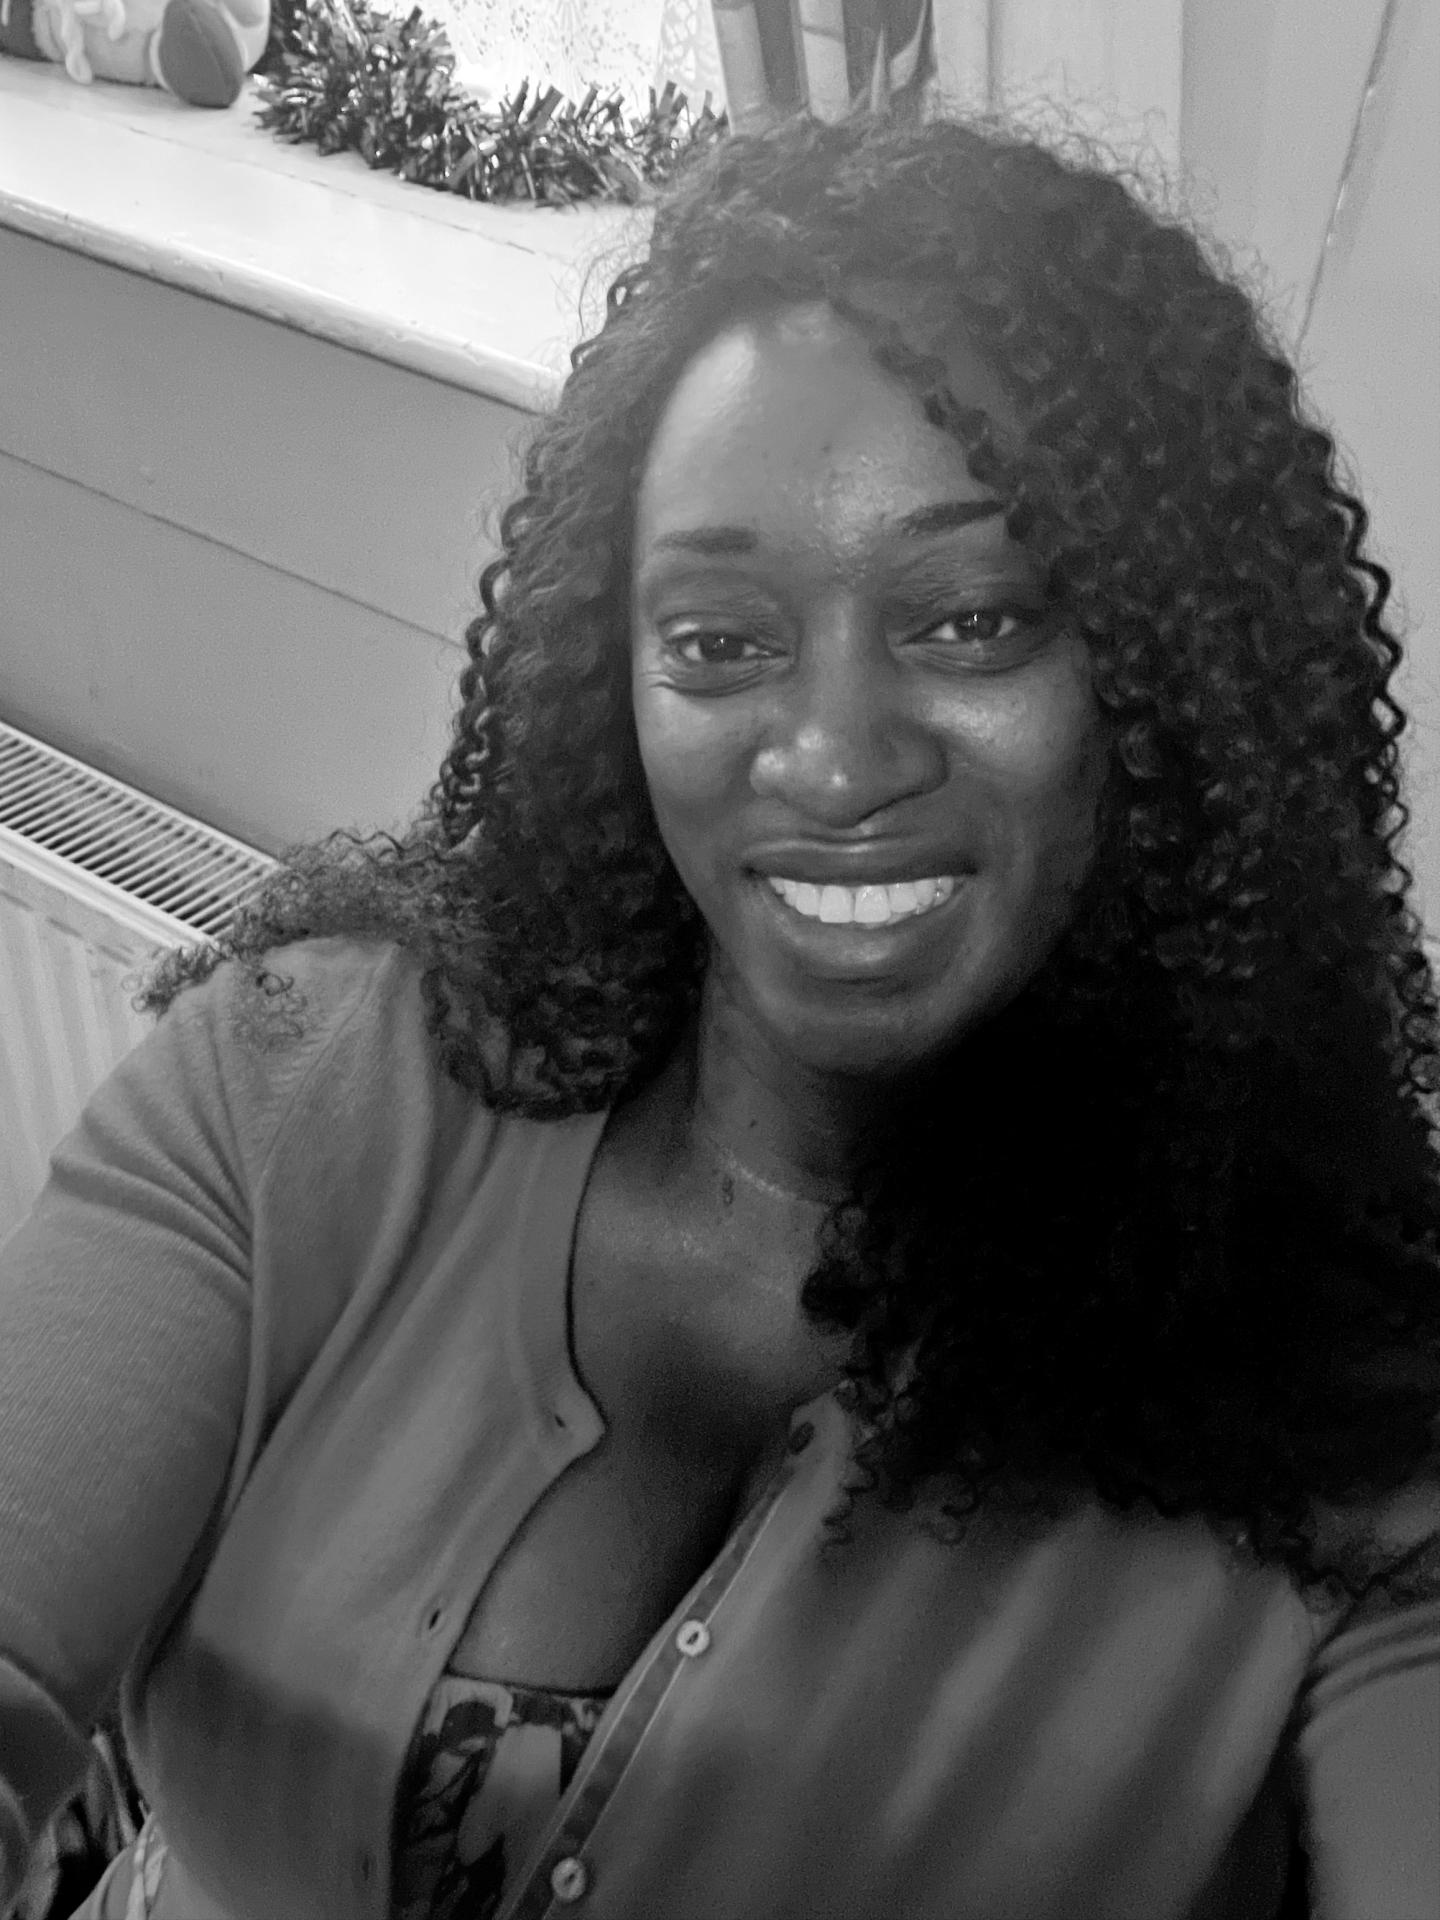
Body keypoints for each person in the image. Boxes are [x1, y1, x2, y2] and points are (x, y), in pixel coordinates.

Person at [3, 107, 1439, 1920]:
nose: (831, 761)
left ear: (1173, 680)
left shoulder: (1367, 1433)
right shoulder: (301, 1083)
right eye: (720, 640)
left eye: (975, 620)